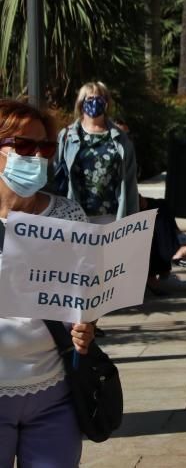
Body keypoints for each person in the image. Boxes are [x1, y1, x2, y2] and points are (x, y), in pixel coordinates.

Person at [0, 99, 96, 467]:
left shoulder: (68, 214)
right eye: (23, 146)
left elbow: (84, 294)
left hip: (54, 395)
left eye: (44, 147)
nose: (35, 156)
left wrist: (87, 324)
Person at [55, 81, 139, 225]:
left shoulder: (120, 139)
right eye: (90, 99)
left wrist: (133, 221)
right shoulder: (67, 136)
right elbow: (54, 174)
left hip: (111, 217)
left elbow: (130, 181)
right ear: (81, 103)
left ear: (106, 103)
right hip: (74, 215)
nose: (95, 103)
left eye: (99, 99)